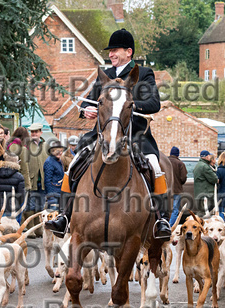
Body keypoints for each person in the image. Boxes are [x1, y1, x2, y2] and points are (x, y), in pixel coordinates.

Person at [46, 28, 170, 238]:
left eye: (115, 50)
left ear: (128, 52)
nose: (110, 54)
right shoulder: (105, 75)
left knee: (155, 166)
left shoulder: (144, 73)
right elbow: (87, 102)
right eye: (110, 51)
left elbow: (154, 103)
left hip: (136, 136)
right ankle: (64, 215)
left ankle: (161, 219)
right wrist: (86, 111)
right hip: (102, 136)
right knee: (75, 163)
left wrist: (128, 106)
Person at [24, 123, 49, 234]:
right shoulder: (27, 146)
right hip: (32, 180)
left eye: (36, 132)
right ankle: (30, 229)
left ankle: (38, 228)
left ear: (40, 133)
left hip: (43, 181)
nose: (34, 134)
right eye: (32, 132)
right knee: (31, 205)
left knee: (40, 206)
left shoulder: (46, 146)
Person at [0, 152, 25, 219]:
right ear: (16, 162)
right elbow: (21, 195)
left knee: (2, 227)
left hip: (0, 208)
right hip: (13, 208)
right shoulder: (19, 177)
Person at [193, 150, 218, 216]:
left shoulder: (198, 165)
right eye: (209, 156)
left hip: (199, 193)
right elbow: (214, 179)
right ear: (207, 156)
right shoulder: (205, 167)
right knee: (204, 214)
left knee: (201, 212)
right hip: (205, 194)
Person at [43, 140, 66, 209]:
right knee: (53, 214)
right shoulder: (49, 162)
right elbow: (47, 180)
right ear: (53, 151)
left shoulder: (59, 161)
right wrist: (50, 196)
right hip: (53, 194)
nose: (60, 153)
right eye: (58, 151)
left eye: (61, 151)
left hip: (59, 192)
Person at [168, 146, 187, 226]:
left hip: (165, 190)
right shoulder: (180, 163)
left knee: (166, 209)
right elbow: (183, 178)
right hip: (176, 190)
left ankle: (164, 226)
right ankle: (170, 226)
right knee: (175, 210)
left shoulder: (165, 161)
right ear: (177, 154)